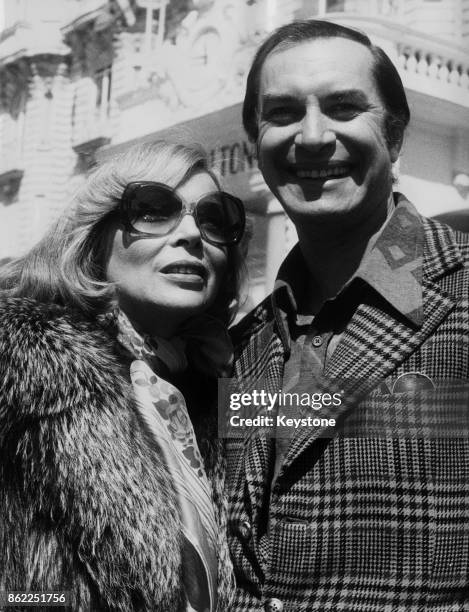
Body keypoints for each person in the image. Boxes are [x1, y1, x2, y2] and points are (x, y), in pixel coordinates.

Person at [226, 20, 469, 612]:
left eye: (343, 107)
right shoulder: (248, 342)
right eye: (282, 113)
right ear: (255, 142)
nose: (311, 137)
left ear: (396, 132)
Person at [0, 140, 246, 611]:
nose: (193, 234)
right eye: (154, 210)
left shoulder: (211, 388)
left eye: (215, 218)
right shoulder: (16, 357)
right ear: (95, 235)